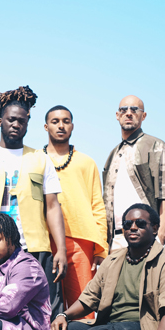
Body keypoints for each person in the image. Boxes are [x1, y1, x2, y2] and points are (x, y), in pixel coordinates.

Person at [0, 85, 67, 316]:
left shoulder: (41, 158)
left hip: (33, 249)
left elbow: (52, 207)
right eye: (11, 120)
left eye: (22, 121)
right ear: (0, 120)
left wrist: (61, 250)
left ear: (28, 123)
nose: (16, 124)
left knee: (39, 314)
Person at [43, 105, 108, 311]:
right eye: (55, 121)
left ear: (72, 126)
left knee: (83, 304)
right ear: (46, 127)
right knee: (44, 303)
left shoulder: (86, 162)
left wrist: (101, 247)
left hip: (81, 240)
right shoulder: (35, 160)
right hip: (45, 239)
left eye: (66, 121)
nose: (61, 126)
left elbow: (97, 204)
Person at [103, 96, 165, 252]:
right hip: (115, 240)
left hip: (146, 236)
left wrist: (160, 234)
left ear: (143, 116)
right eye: (124, 110)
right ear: (117, 115)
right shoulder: (113, 154)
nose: (128, 113)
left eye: (134, 110)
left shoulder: (155, 145)